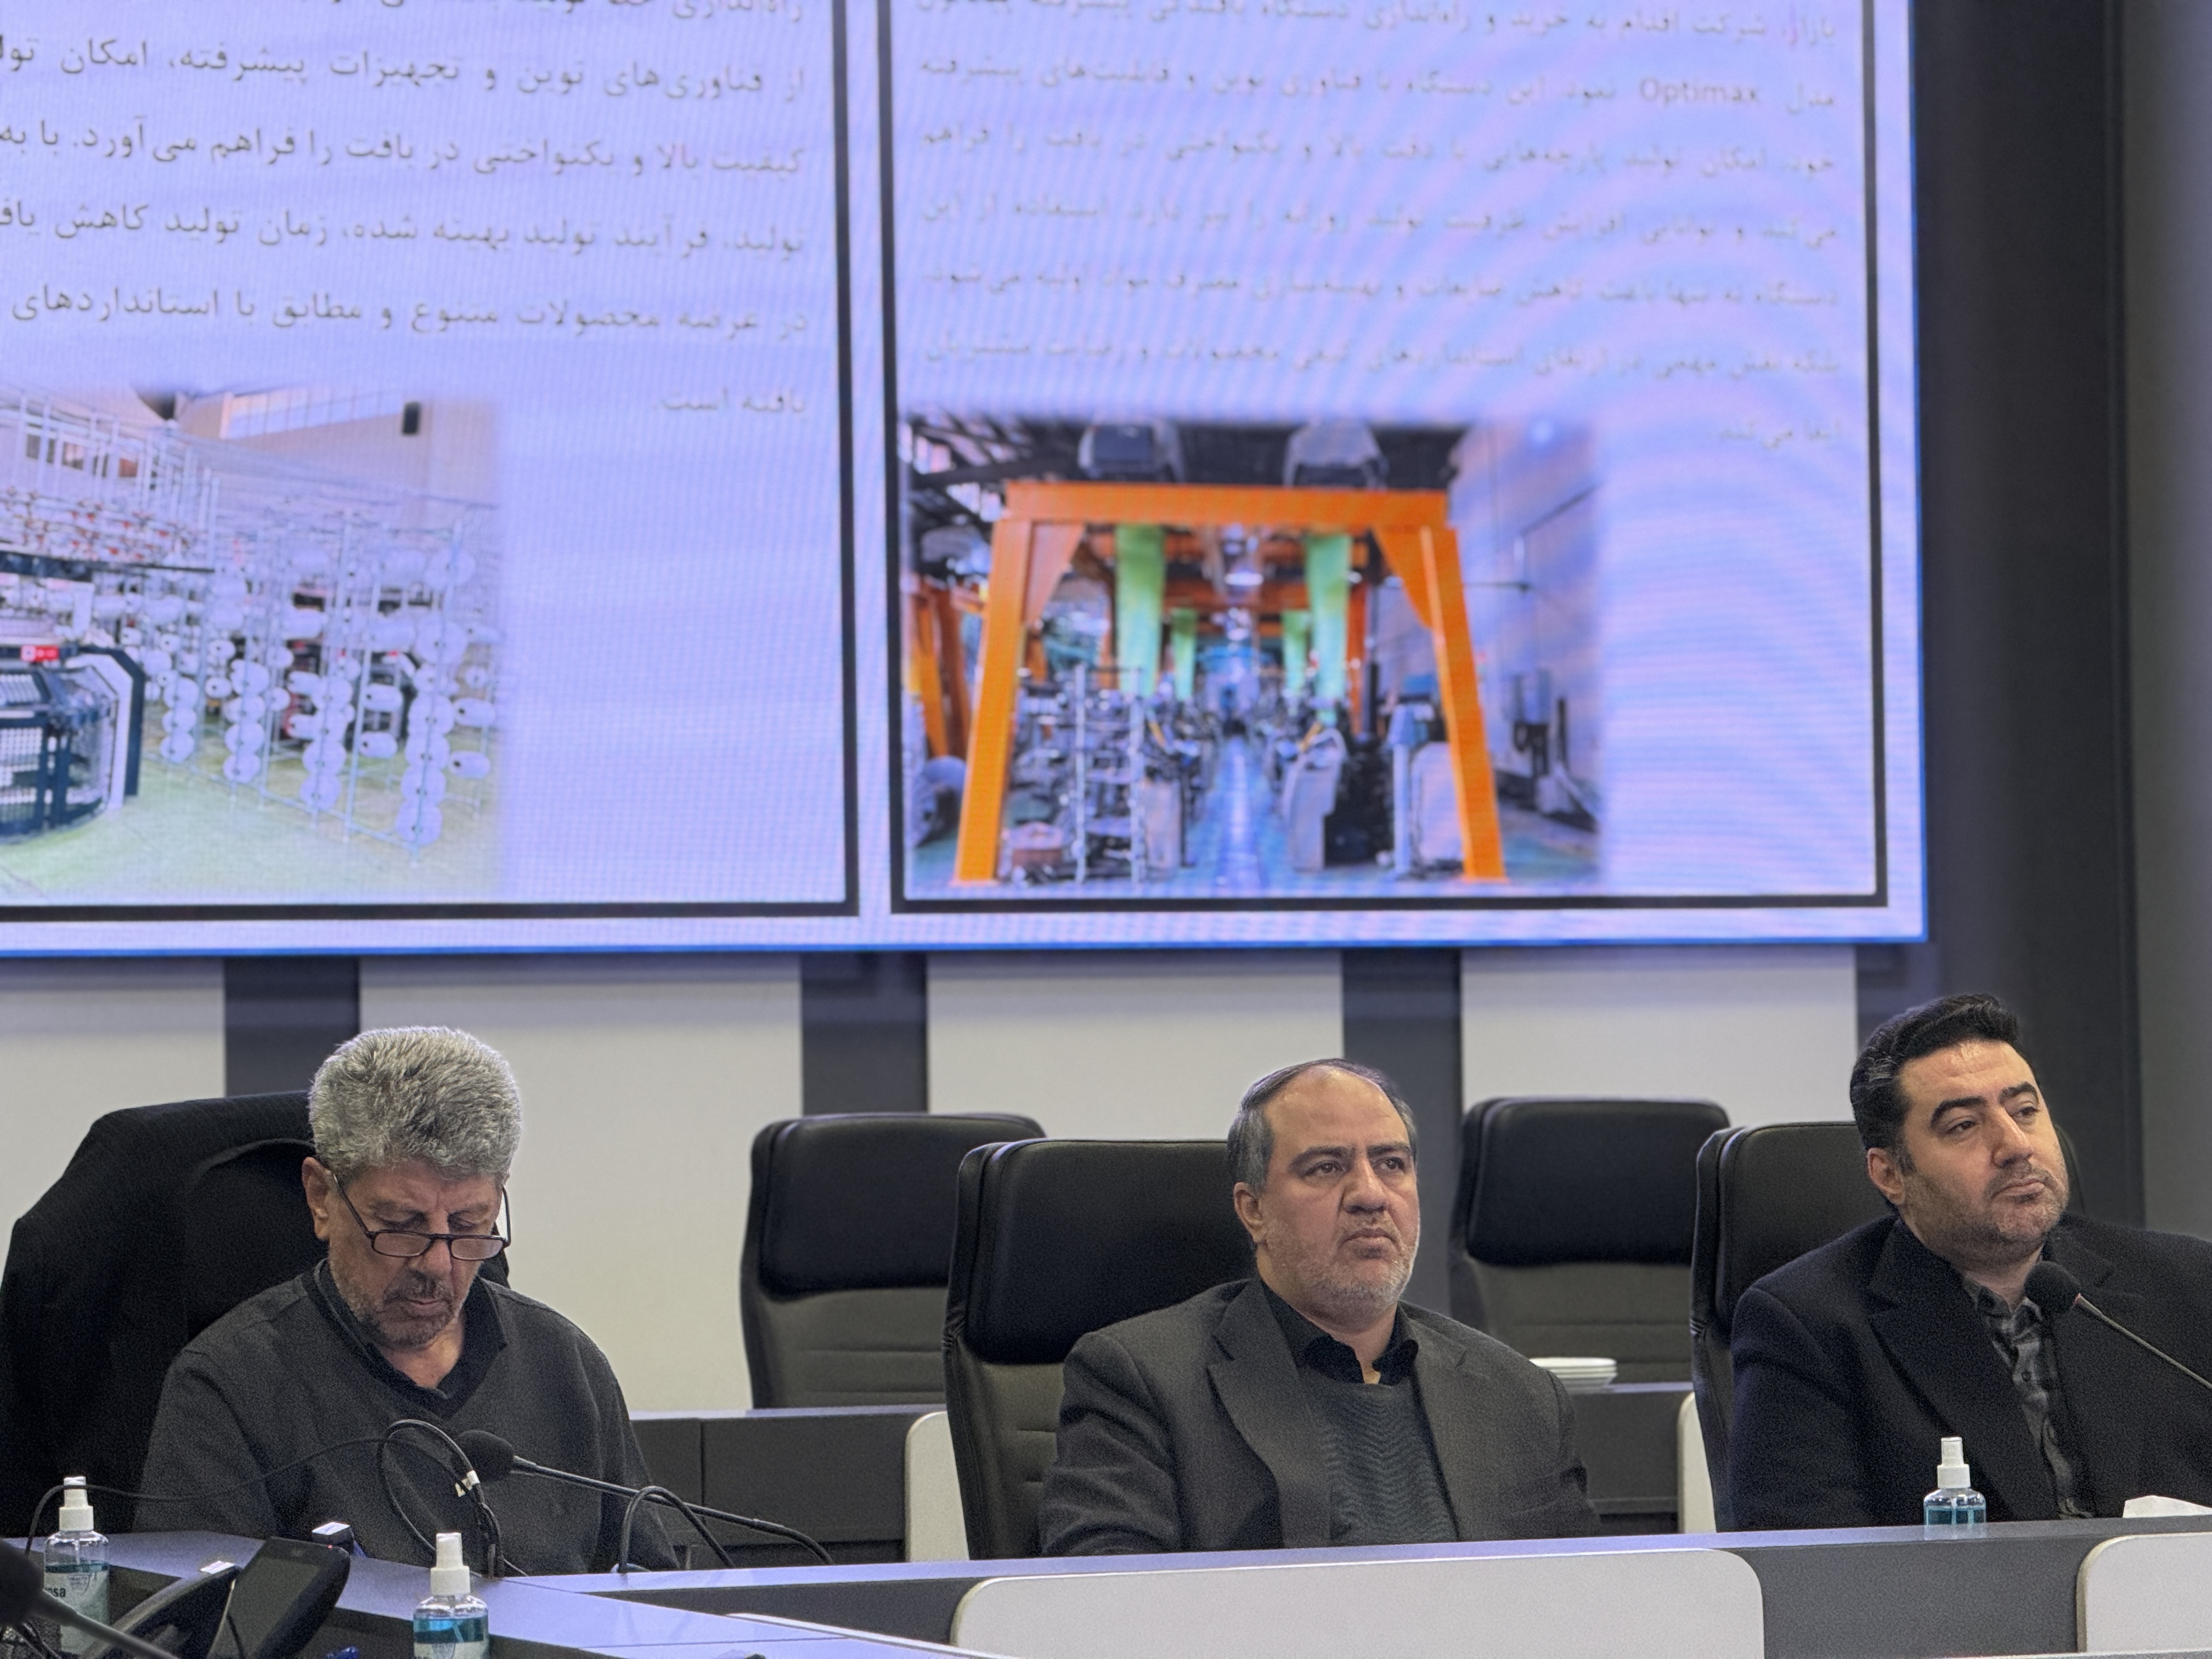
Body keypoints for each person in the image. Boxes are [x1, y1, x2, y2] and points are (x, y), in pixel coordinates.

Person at [138, 1028, 676, 1573]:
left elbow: (650, 1599)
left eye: (468, 1224)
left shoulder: (564, 1365)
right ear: (322, 1198)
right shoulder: (230, 1386)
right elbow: (201, 1613)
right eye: (400, 1225)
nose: (437, 1265)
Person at [1037, 1059, 1598, 1554]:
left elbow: (1585, 1600)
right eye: (1327, 1167)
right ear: (1253, 1210)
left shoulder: (1519, 1394)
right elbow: (1104, 1604)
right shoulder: (1142, 1380)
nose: (1371, 1195)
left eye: (1392, 1164)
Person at [1729, 993, 2212, 1528]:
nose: (2015, 1146)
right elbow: (1808, 1566)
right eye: (1963, 1126)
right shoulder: (1808, 1327)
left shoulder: (2187, 1285)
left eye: (2025, 1111)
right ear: (1890, 1174)